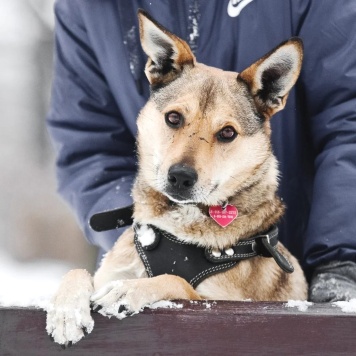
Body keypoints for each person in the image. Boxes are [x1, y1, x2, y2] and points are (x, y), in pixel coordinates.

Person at [47, 0, 356, 302]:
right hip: (142, 234)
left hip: (295, 259)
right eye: (174, 119)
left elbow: (348, 118)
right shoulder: (87, 7)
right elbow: (87, 141)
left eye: (225, 133)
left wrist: (341, 259)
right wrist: (145, 237)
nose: (187, 162)